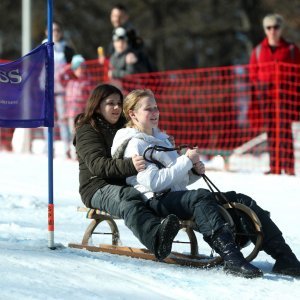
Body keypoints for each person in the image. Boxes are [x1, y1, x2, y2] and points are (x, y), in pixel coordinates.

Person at [111, 88, 300, 278]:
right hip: (154, 200)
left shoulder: (161, 139)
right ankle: (232, 258)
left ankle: (286, 258)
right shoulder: (134, 144)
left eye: (156, 107)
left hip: (174, 196)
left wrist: (193, 171)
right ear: (132, 114)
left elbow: (179, 179)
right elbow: (154, 183)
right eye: (148, 109)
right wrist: (185, 161)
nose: (155, 113)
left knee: (241, 199)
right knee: (199, 198)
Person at [73, 83, 180, 261]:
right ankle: (156, 238)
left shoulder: (125, 127)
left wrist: (164, 144)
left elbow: (148, 139)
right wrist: (130, 165)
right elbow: (97, 165)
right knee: (128, 198)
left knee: (155, 192)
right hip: (96, 186)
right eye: (110, 103)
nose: (116, 107)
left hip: (125, 182)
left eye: (119, 103)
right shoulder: (87, 130)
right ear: (97, 106)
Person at [249, 14, 300, 175]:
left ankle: (289, 168)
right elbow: (252, 75)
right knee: (271, 132)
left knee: (285, 131)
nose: (272, 31)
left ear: (281, 28)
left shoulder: (291, 50)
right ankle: (275, 168)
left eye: (276, 27)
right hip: (267, 98)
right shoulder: (257, 51)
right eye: (269, 27)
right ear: (265, 30)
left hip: (287, 97)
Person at [43, 21, 75, 158]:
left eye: (57, 30)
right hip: (46, 89)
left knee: (63, 118)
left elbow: (75, 65)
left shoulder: (66, 49)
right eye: (52, 30)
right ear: (47, 32)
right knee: (47, 118)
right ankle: (49, 146)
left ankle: (67, 146)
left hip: (63, 90)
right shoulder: (42, 47)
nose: (54, 33)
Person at [62, 54, 91, 159]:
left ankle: (79, 153)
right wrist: (69, 67)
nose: (81, 70)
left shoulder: (86, 82)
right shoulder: (69, 82)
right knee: (71, 133)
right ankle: (71, 151)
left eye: (83, 67)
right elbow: (59, 76)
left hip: (81, 113)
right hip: (70, 113)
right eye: (78, 67)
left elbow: (90, 97)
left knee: (80, 133)